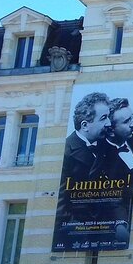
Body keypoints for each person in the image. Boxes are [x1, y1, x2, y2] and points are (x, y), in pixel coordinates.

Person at [56, 92, 111, 224]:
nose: (109, 123)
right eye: (103, 118)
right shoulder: (67, 152)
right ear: (85, 125)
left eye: (108, 117)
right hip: (77, 230)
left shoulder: (108, 147)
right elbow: (61, 205)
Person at [100, 98, 133, 242]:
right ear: (110, 130)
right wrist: (120, 225)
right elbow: (110, 195)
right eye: (127, 121)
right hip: (117, 229)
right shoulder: (98, 157)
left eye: (132, 118)